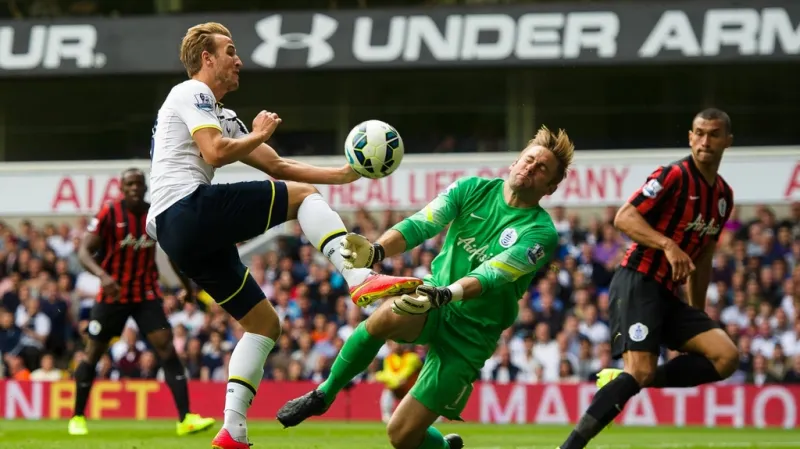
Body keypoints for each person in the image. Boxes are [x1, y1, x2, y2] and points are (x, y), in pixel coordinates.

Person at [147, 22, 420, 449]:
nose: (238, 60)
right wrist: (256, 134)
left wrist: (344, 174)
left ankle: (231, 430)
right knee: (301, 198)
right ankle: (358, 278)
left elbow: (278, 166)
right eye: (230, 51)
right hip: (185, 209)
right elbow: (215, 152)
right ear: (206, 58)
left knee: (264, 324)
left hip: (177, 233)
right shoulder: (192, 92)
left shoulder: (220, 113)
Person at [277, 125, 574, 449]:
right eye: (529, 159)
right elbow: (422, 223)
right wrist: (376, 251)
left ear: (551, 186)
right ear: (515, 162)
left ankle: (446, 448)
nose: (531, 167)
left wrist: (447, 293)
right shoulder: (471, 188)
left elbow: (493, 273)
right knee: (385, 316)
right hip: (433, 298)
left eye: (542, 168)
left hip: (472, 333)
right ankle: (325, 393)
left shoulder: (541, 232)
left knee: (401, 435)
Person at [557, 108, 740, 449]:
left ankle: (625, 380)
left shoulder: (724, 197)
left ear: (728, 141)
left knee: (727, 357)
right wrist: (667, 244)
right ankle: (567, 447)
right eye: (699, 133)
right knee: (639, 370)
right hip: (638, 280)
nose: (705, 141)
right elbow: (624, 218)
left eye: (714, 134)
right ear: (689, 137)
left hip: (669, 296)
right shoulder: (673, 176)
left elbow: (704, 258)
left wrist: (697, 314)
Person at [68, 168, 216, 436]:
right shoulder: (109, 213)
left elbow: (173, 252)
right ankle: (77, 416)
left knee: (167, 349)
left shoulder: (156, 213)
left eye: (139, 183)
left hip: (146, 295)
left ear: (145, 187)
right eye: (129, 184)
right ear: (121, 188)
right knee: (93, 353)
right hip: (113, 296)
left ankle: (186, 418)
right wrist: (103, 276)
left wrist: (187, 288)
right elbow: (83, 251)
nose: (135, 188)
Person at [376, 342, 423, 423]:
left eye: (398, 344)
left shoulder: (412, 357)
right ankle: (387, 417)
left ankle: (436, 418)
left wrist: (383, 377)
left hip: (412, 387)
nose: (396, 346)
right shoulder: (388, 359)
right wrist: (394, 381)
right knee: (387, 391)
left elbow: (407, 372)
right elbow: (388, 373)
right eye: (393, 344)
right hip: (397, 386)